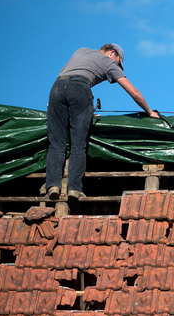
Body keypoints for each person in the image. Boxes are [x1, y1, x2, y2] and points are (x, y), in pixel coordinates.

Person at [44, 43, 160, 199]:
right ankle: (74, 189)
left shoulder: (81, 50)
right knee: (78, 143)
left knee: (56, 143)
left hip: (56, 88)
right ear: (112, 53)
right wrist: (149, 111)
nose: (117, 66)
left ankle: (52, 186)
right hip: (80, 88)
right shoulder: (108, 62)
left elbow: (70, 83)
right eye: (118, 62)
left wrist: (85, 113)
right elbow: (133, 92)